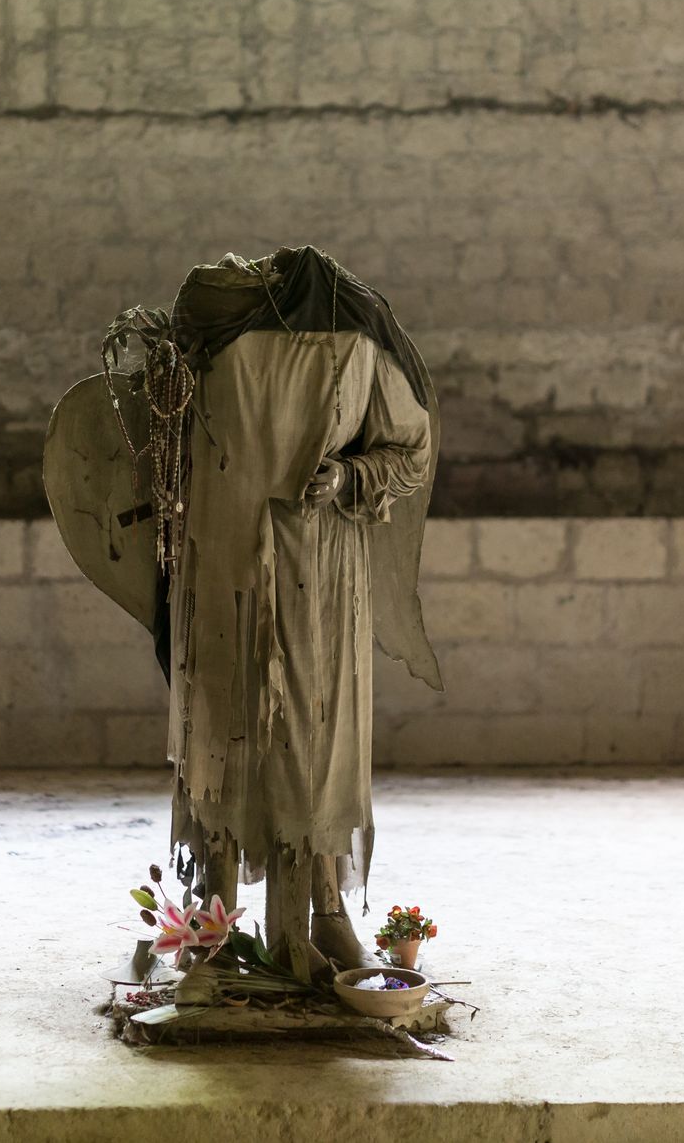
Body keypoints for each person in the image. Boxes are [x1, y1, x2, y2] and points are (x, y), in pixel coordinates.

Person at [45, 247, 443, 972]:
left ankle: (313, 919)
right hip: (221, 571)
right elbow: (158, 447)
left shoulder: (351, 349)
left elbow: (407, 448)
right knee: (222, 740)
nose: (237, 265)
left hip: (316, 577)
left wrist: (348, 473)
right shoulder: (203, 351)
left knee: (310, 739)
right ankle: (210, 928)